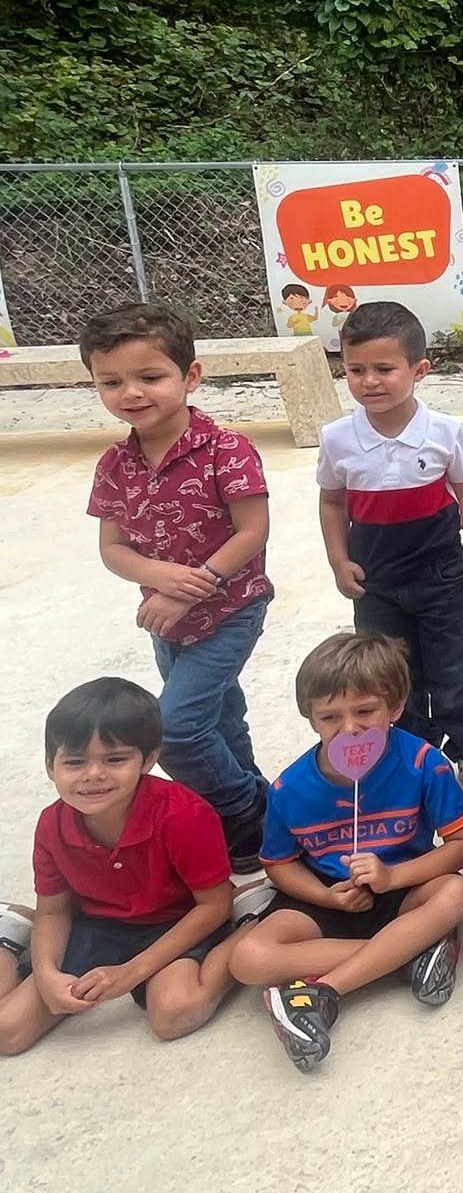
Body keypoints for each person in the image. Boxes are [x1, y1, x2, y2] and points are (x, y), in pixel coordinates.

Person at [230, 632, 463, 1073]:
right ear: (311, 720)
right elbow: (278, 864)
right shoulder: (289, 788)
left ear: (395, 707)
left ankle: (320, 992)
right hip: (327, 897)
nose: (349, 728)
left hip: (404, 884)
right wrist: (325, 897)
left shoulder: (424, 763)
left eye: (366, 711)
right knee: (247, 958)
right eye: (330, 716)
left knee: (458, 894)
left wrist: (391, 878)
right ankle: (409, 950)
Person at [80, 303, 274, 869]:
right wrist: (156, 577)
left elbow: (253, 530)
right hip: (164, 622)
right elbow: (112, 548)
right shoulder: (114, 464)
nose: (131, 393)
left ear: (190, 377)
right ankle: (264, 811)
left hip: (232, 608)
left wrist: (195, 582)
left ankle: (241, 810)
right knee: (218, 718)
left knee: (180, 729)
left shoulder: (226, 449)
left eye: (150, 377)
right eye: (111, 382)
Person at [0, 679, 269, 1055]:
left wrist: (132, 971)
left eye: (115, 759)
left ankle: (255, 920)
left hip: (180, 919)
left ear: (148, 759)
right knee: (8, 1032)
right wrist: (46, 973)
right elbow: (55, 909)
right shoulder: (52, 824)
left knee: (175, 1013)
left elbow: (212, 905)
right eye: (74, 762)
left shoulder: (184, 815)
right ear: (50, 765)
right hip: (101, 924)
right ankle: (11, 933)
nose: (93, 775)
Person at [318, 301, 463, 801]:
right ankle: (410, 755)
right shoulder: (337, 438)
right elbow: (332, 502)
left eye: (384, 369)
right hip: (375, 581)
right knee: (391, 675)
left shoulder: (445, 432)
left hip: (442, 576)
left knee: (454, 669)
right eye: (356, 370)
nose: (369, 381)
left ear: (419, 370)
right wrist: (338, 559)